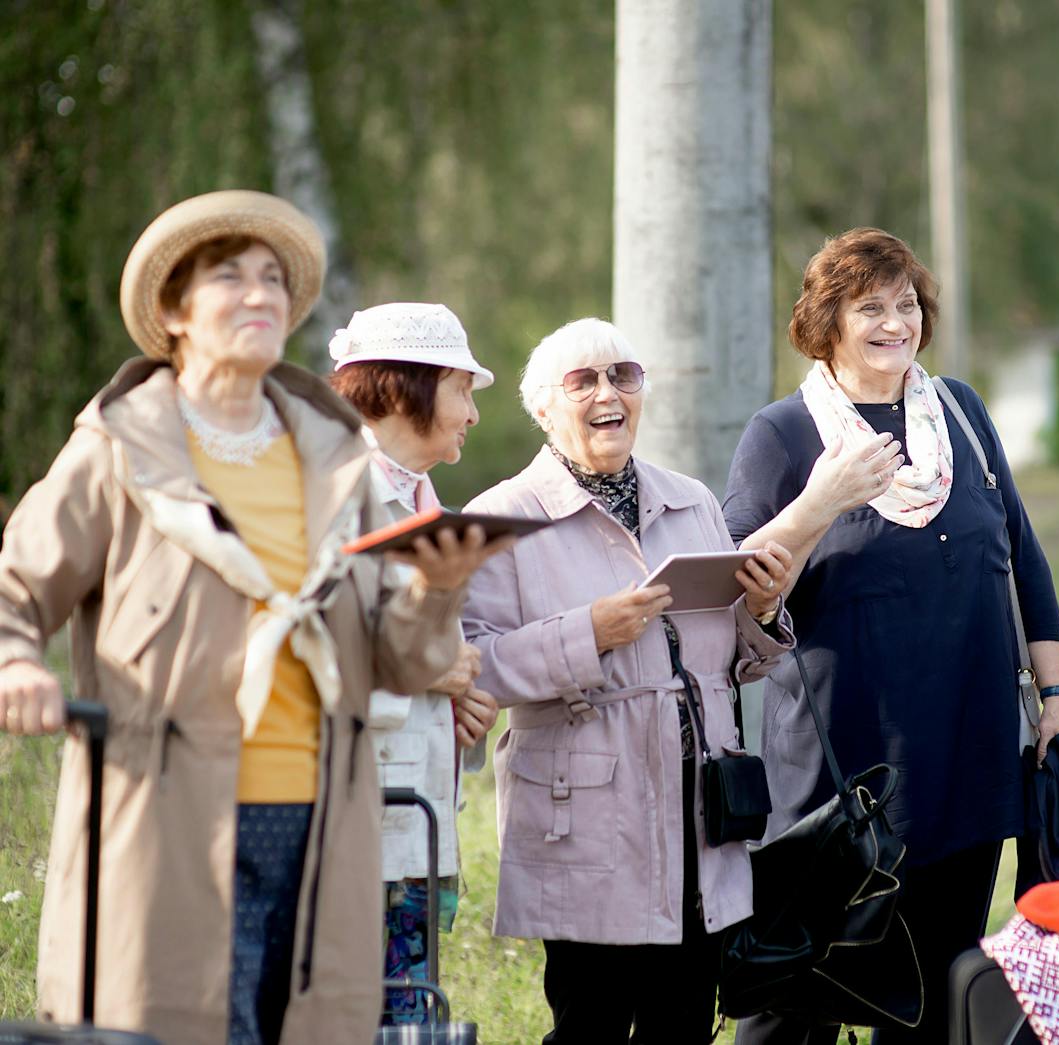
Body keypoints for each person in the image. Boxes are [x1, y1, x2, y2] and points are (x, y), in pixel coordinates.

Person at [0, 190, 505, 1045]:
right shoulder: (122, 446)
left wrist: (437, 588)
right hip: (169, 820)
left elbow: (400, 659)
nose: (261, 294)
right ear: (174, 313)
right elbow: (15, 584)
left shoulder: (330, 457)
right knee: (177, 1025)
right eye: (230, 278)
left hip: (321, 822)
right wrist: (17, 664)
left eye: (273, 278)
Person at [722, 227, 1059, 1045]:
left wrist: (1058, 703)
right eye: (870, 307)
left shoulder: (961, 411)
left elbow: (1024, 562)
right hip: (837, 780)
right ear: (827, 323)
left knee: (936, 995)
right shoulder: (782, 434)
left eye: (906, 303)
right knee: (795, 1000)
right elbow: (740, 592)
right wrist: (824, 498)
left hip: (966, 757)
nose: (895, 322)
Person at [460, 317, 796, 1044]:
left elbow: (733, 661)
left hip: (698, 811)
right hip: (587, 815)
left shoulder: (692, 501)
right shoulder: (502, 517)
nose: (608, 392)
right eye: (583, 380)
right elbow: (475, 665)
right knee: (593, 1024)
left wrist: (763, 610)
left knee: (684, 1023)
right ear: (544, 407)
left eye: (624, 375)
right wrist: (590, 633)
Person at [326, 301, 501, 1024]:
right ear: (404, 389)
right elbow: (314, 635)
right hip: (355, 809)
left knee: (408, 1012)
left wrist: (461, 693)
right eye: (463, 389)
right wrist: (438, 669)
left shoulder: (422, 498)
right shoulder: (338, 491)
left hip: (414, 816)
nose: (472, 414)